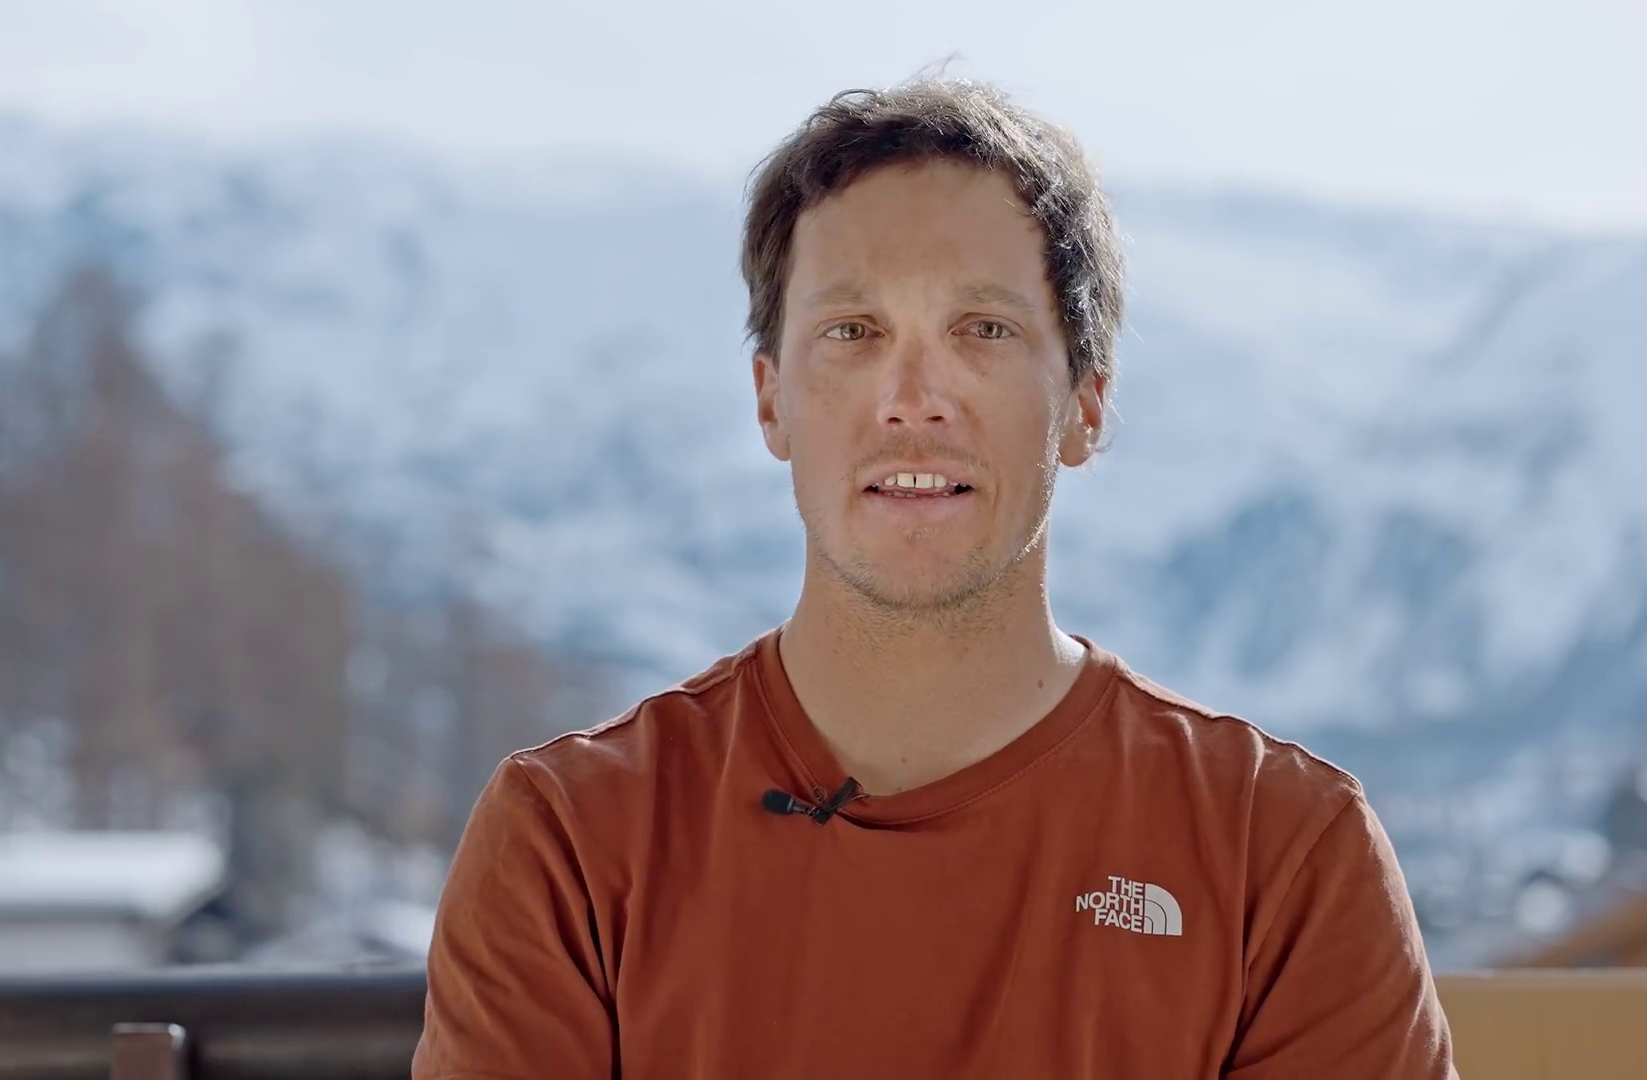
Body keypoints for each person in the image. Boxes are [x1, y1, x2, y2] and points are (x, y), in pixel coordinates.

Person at [412, 78, 1457, 1078]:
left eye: (982, 330)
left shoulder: (1280, 850)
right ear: (771, 402)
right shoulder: (572, 840)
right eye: (853, 333)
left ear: (1085, 405)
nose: (912, 398)